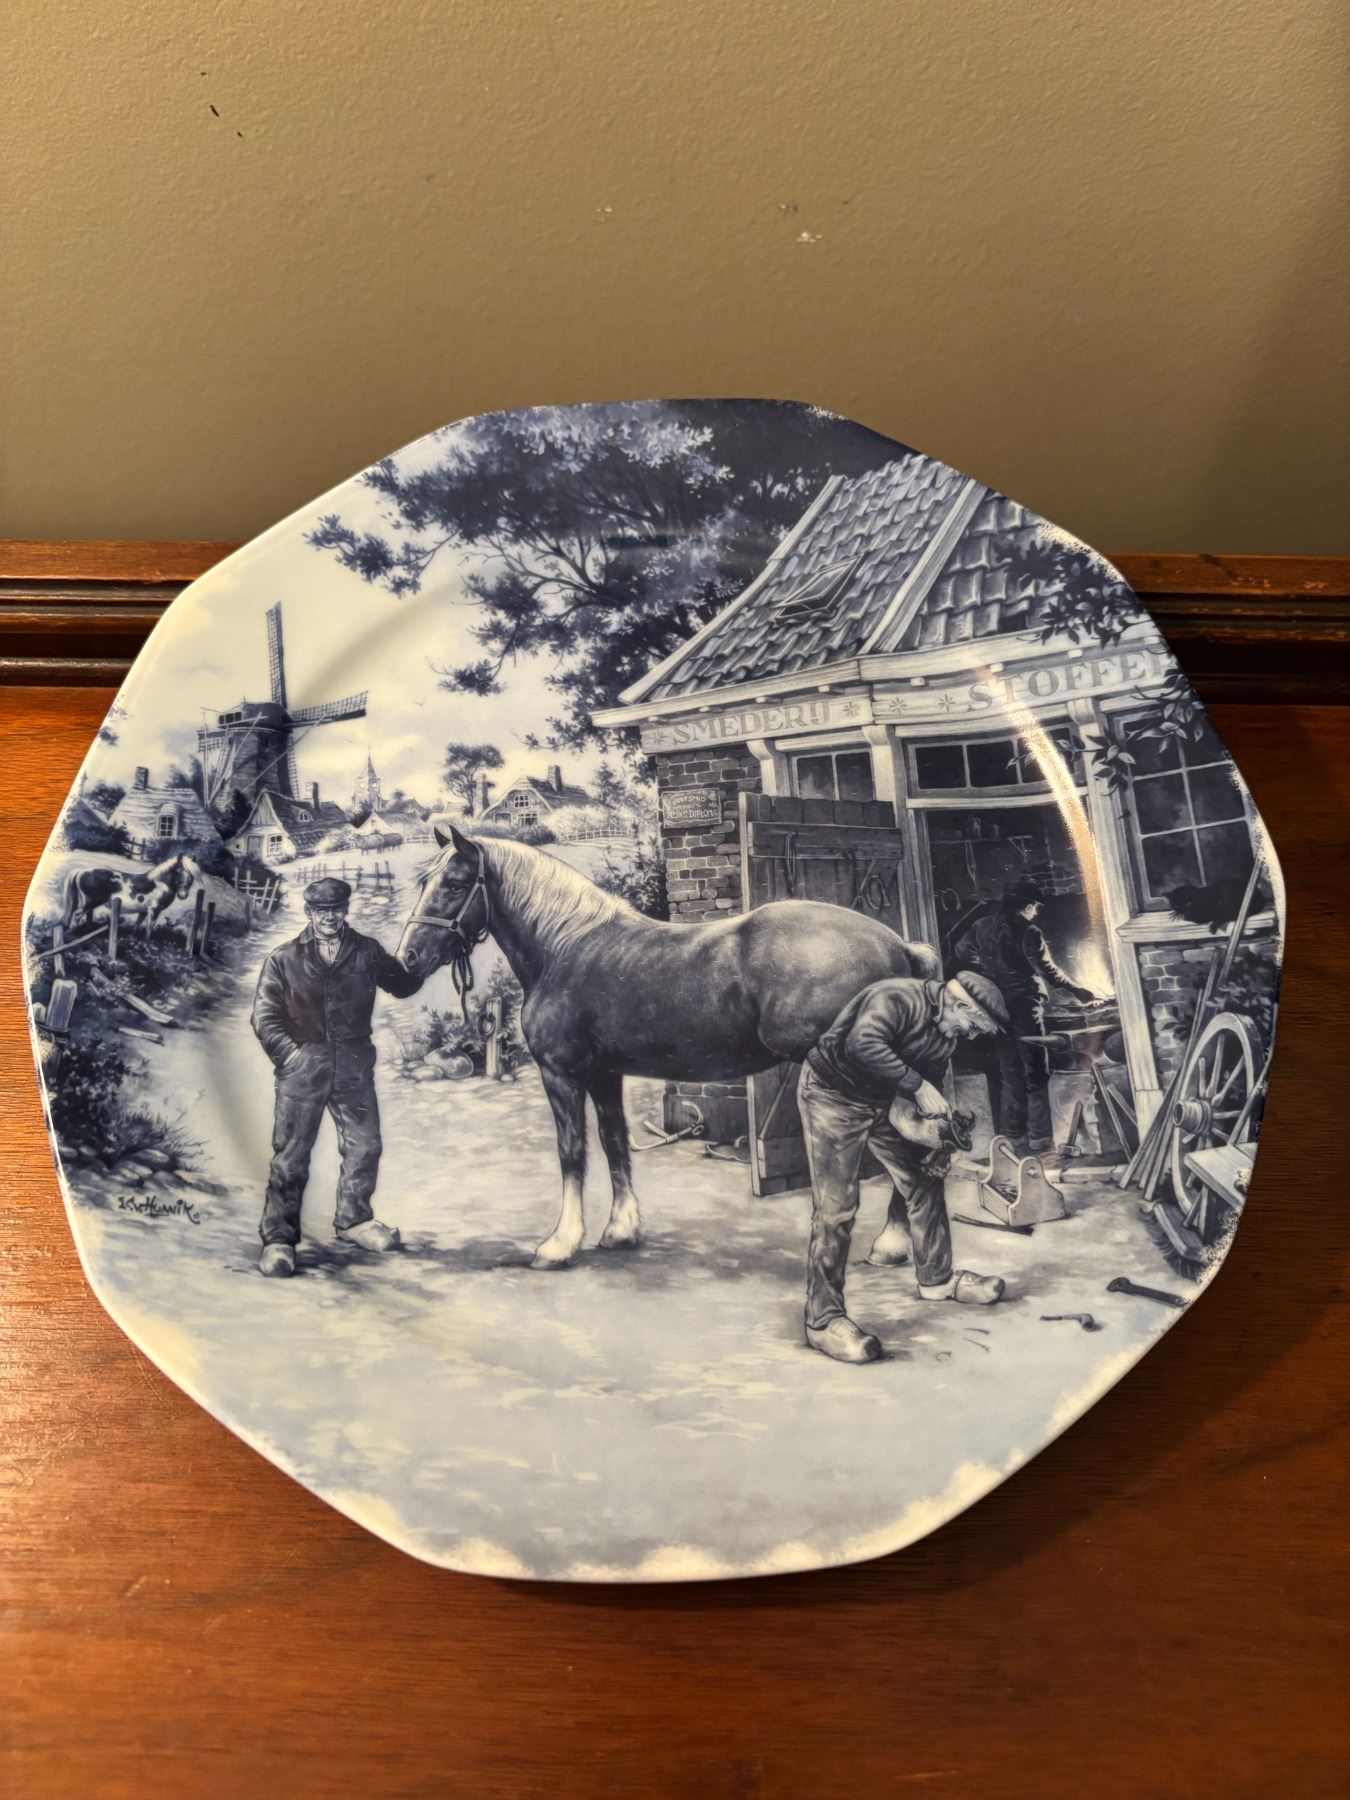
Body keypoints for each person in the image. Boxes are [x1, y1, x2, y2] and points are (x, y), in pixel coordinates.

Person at [797, 970, 1012, 1365]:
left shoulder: (945, 1037)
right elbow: (863, 1045)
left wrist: (933, 1137)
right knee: (836, 1207)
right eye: (973, 1027)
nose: (970, 1036)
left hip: (883, 1100)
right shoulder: (897, 997)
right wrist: (917, 1086)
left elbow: (917, 1096)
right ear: (959, 1005)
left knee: (924, 1181)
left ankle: (937, 1280)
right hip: (833, 1095)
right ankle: (822, 1320)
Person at [250, 876, 425, 1278]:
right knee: (291, 1154)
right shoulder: (283, 958)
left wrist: (422, 959)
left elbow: (401, 985)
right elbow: (263, 1017)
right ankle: (278, 1239)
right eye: (321, 911)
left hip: (353, 1063)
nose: (329, 917)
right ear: (309, 912)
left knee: (366, 1145)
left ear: (346, 910)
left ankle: (354, 1221)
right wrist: (291, 1056)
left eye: (336, 910)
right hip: (303, 1066)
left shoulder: (367, 950)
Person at [949, 877, 1096, 1156]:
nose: (1036, 912)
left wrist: (989, 969)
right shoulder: (1029, 930)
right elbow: (1048, 971)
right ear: (1028, 906)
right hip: (1026, 1006)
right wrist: (1078, 990)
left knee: (1010, 1073)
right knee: (1035, 1071)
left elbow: (961, 950)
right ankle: (1040, 1140)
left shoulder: (982, 925)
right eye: (1035, 907)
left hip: (997, 1006)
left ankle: (1014, 1140)